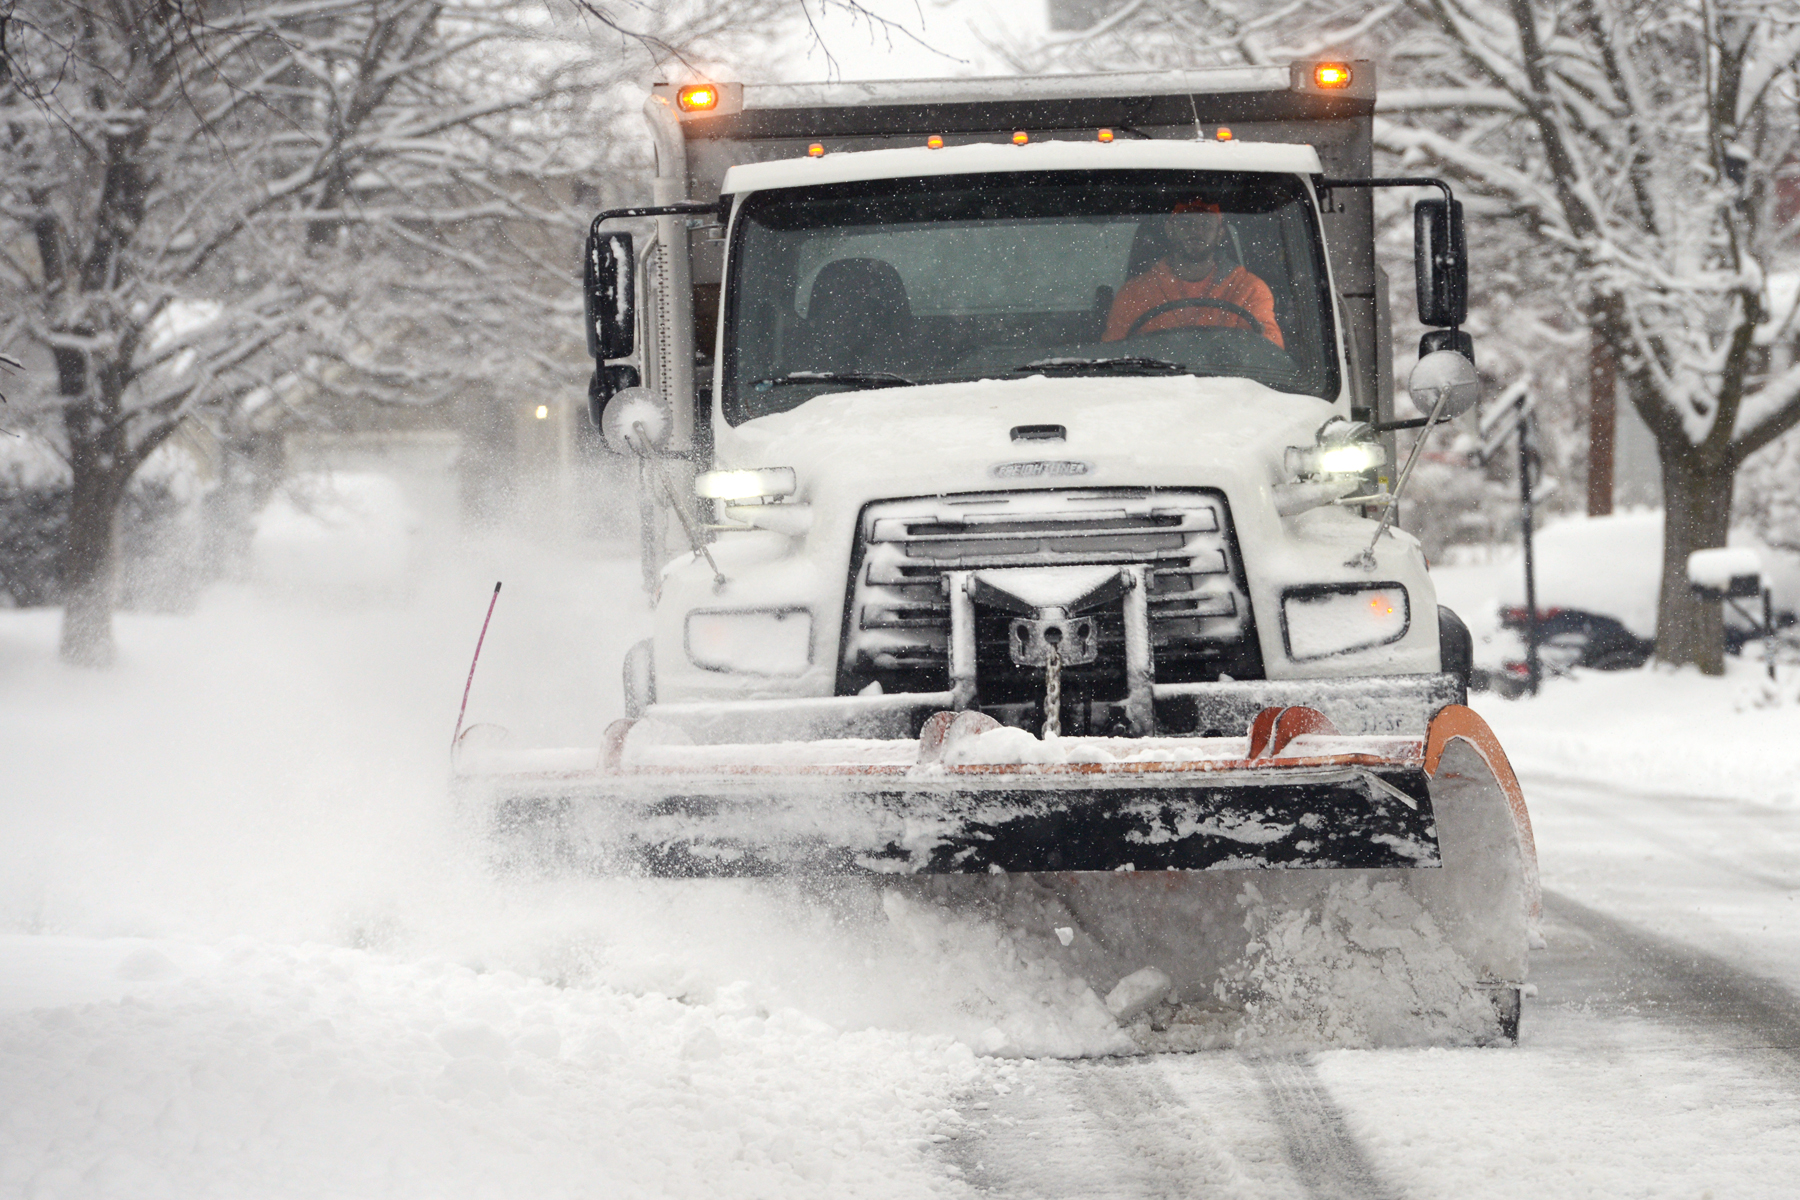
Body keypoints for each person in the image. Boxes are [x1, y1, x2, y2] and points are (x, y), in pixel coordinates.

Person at [1103, 200, 1284, 347]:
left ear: (1220, 234)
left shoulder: (1249, 289)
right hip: (1152, 390)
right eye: (1186, 223)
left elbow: (1269, 354)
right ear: (1170, 230)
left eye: (1205, 224)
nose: (1196, 231)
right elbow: (1113, 359)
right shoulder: (1134, 293)